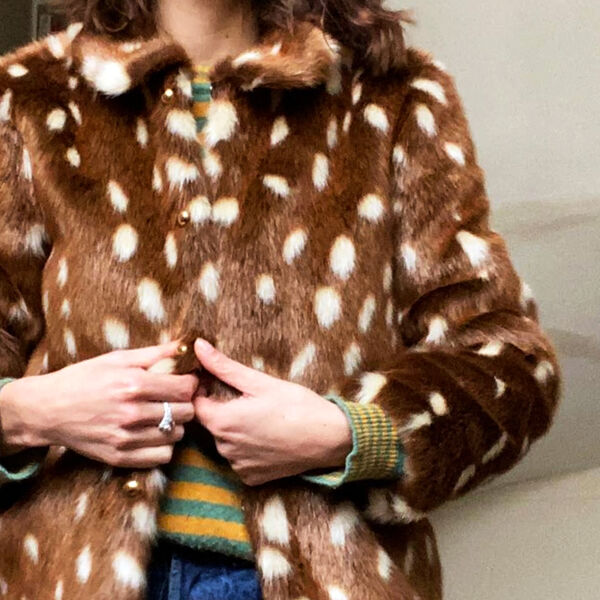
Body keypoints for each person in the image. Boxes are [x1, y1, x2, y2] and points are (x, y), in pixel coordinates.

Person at [0, 1, 561, 599]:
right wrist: (31, 412)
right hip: (67, 575)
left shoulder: (394, 97)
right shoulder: (31, 97)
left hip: (326, 575)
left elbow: (513, 366)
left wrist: (349, 433)